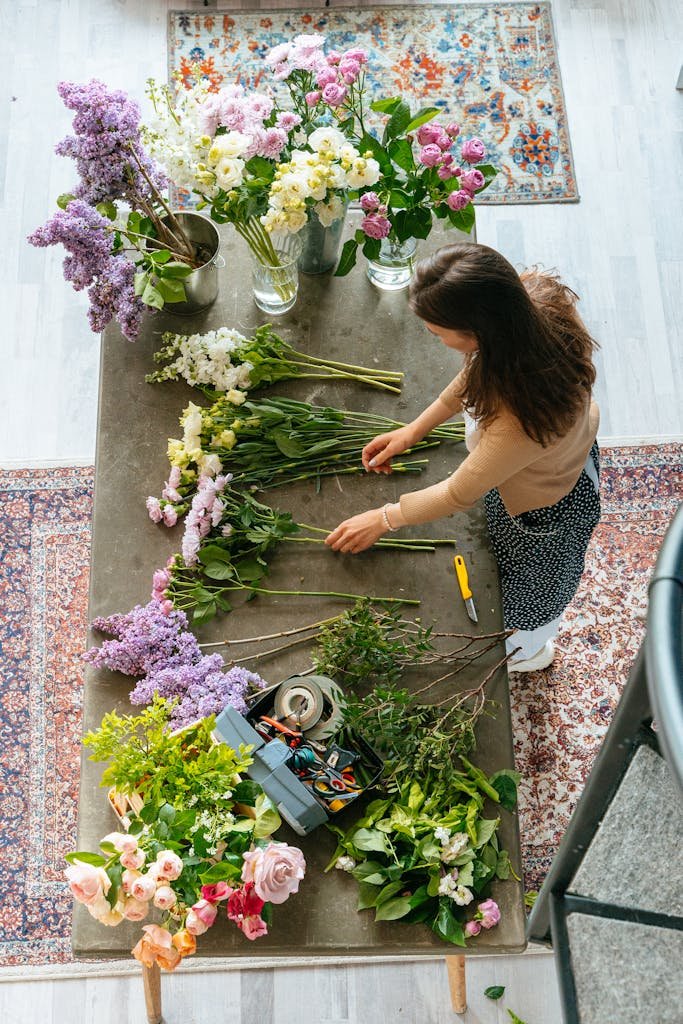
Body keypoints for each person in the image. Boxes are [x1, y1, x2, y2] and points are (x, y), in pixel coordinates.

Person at [324, 243, 601, 672]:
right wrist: (414, 429)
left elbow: (458, 493)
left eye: (438, 333)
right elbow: (475, 374)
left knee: (527, 595)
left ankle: (529, 652)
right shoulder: (531, 304)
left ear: (478, 332)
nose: (434, 339)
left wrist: (383, 518)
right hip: (555, 458)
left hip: (543, 506)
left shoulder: (522, 419)